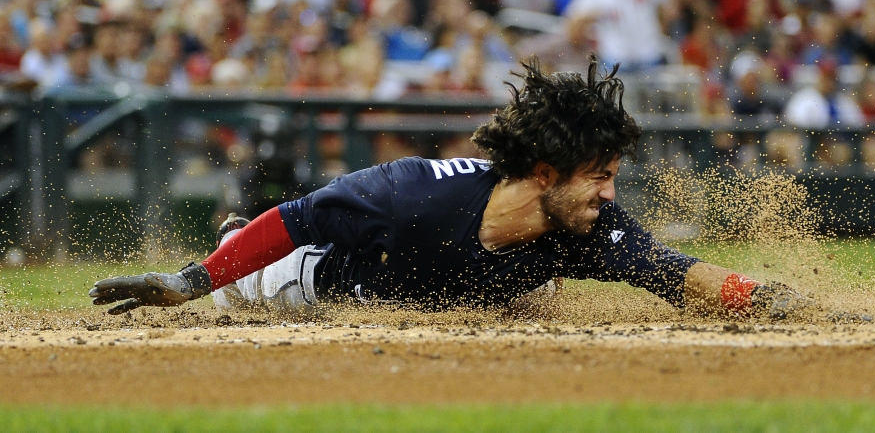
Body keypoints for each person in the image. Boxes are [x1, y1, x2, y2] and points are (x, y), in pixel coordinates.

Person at [90, 57, 809, 319]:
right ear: (545, 175)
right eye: (599, 178)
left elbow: (676, 273)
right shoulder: (409, 193)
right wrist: (193, 281)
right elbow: (297, 217)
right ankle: (226, 248)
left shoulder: (589, 232)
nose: (609, 197)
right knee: (259, 286)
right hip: (320, 281)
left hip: (438, 283)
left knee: (533, 297)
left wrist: (770, 299)